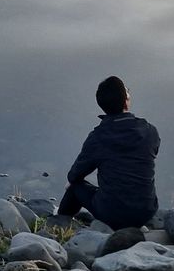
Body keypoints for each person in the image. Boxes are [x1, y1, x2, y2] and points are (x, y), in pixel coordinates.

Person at [57, 76, 160, 229]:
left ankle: (59, 225)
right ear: (126, 100)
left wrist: (73, 182)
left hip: (113, 214)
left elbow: (74, 175)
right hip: (146, 210)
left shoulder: (98, 137)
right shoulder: (150, 131)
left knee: (75, 186)